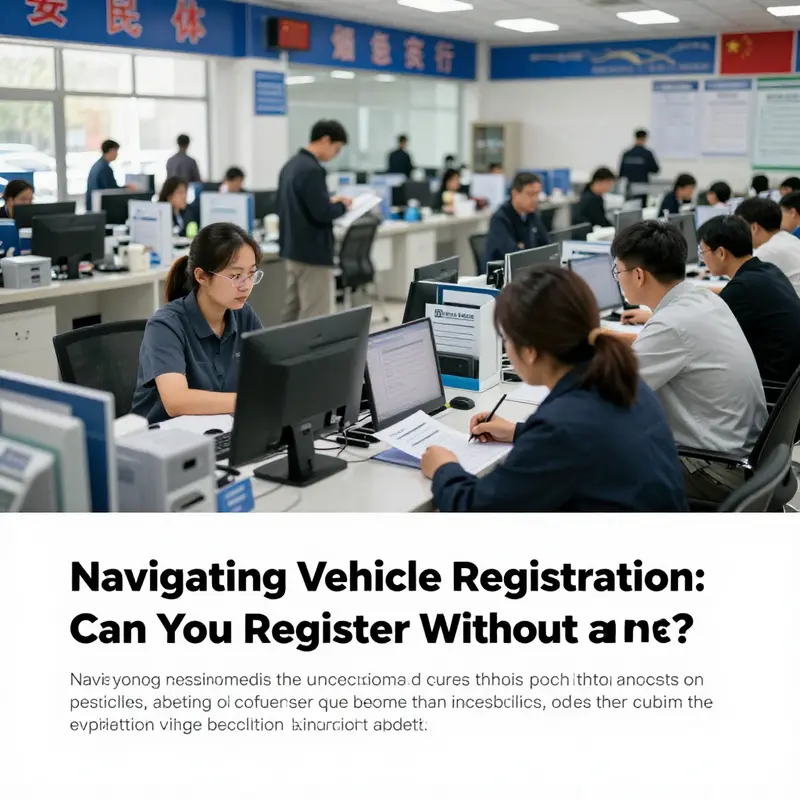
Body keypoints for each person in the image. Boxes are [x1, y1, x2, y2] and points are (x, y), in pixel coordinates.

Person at [420, 267, 688, 512]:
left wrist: (444, 467)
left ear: (530, 351)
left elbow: (480, 510)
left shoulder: (562, 426)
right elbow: (590, 438)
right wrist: (519, 432)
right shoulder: (623, 379)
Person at [613, 221, 766, 502]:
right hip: (746, 456)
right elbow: (670, 350)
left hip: (712, 470)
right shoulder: (702, 300)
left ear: (638, 275)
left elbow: (606, 397)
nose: (617, 278)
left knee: (593, 463)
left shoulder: (671, 325)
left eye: (618, 270)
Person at [131, 223, 263, 424]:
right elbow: (176, 401)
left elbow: (268, 375)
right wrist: (247, 401)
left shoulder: (243, 315)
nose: (246, 286)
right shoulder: (165, 325)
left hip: (218, 430)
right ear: (202, 276)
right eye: (235, 276)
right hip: (164, 441)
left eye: (251, 274)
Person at [696, 214, 800, 385]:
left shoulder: (742, 288)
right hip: (789, 382)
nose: (703, 259)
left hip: (773, 387)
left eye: (703, 252)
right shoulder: (767, 270)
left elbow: (699, 332)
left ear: (721, 253)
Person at [277, 119, 352, 322]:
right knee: (316, 317)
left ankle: (284, 353)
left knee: (291, 314)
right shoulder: (312, 169)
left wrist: (329, 202)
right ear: (325, 140)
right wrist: (343, 206)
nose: (335, 154)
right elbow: (322, 213)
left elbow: (303, 204)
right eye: (336, 149)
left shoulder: (290, 166)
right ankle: (312, 355)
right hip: (313, 254)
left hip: (293, 250)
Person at [735, 196, 800, 296]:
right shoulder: (788, 239)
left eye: (740, 227)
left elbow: (736, 288)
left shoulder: (768, 251)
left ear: (754, 227)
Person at [482, 172, 549, 268]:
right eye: (530, 194)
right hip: (502, 274)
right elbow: (514, 255)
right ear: (515, 194)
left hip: (527, 270)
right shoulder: (500, 218)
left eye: (537, 194)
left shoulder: (531, 215)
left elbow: (546, 245)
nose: (535, 199)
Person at [619, 129, 660, 195]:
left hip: (629, 186)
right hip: (643, 186)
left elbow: (621, 173)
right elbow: (656, 170)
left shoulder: (627, 154)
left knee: (630, 204)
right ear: (645, 138)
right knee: (642, 205)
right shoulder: (647, 154)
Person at [85, 139, 121, 210]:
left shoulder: (98, 165)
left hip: (92, 206)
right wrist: (127, 189)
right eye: (116, 151)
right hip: (100, 208)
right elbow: (112, 190)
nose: (117, 154)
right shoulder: (104, 168)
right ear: (111, 150)